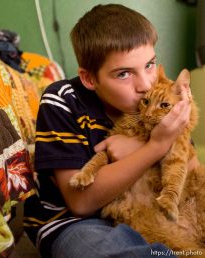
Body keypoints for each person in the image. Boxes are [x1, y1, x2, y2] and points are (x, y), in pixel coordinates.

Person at [24, 4, 198, 258]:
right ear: (90, 79)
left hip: (150, 211)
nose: (145, 85)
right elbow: (80, 203)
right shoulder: (62, 99)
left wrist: (172, 132)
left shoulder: (164, 96)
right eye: (124, 73)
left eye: (150, 64)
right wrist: (155, 146)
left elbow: (191, 173)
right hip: (78, 223)